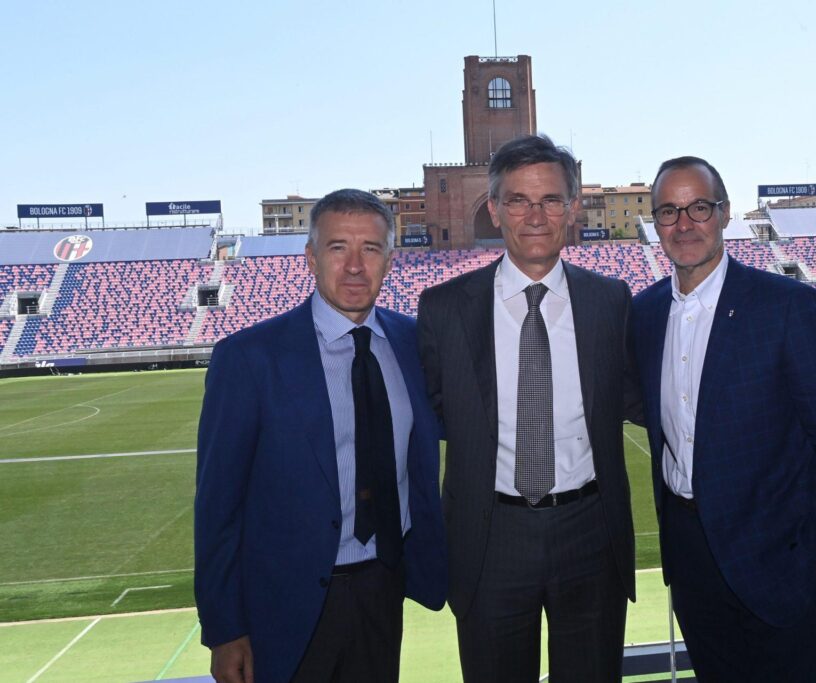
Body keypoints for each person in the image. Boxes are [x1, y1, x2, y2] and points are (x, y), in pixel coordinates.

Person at [630, 156, 816, 681]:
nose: (683, 224)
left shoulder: (787, 305)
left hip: (783, 560)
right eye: (668, 212)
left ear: (724, 213)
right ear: (654, 224)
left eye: (698, 207)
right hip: (692, 561)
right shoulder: (645, 312)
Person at [194, 189, 446, 683]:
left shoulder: (415, 342)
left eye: (370, 249)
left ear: (390, 261)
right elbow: (217, 507)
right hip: (286, 604)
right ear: (310, 258)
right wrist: (225, 630)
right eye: (338, 248)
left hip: (383, 587)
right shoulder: (249, 358)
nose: (355, 265)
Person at [417, 134, 635, 683]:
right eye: (518, 200)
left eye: (551, 200)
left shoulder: (612, 302)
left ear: (573, 207)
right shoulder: (444, 308)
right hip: (491, 539)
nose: (535, 216)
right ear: (494, 209)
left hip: (590, 531)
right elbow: (439, 409)